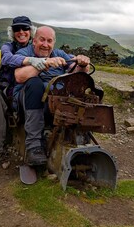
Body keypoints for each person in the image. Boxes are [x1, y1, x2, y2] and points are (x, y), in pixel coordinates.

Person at [13, 26, 90, 166]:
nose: (45, 45)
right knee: (35, 84)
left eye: (49, 41)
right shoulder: (24, 52)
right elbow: (19, 76)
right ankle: (34, 146)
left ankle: (80, 138)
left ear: (54, 43)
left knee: (78, 88)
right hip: (28, 102)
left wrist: (82, 64)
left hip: (54, 102)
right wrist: (44, 64)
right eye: (42, 40)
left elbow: (76, 71)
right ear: (34, 41)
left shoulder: (59, 53)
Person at [0, 15, 38, 170]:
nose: (21, 32)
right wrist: (31, 61)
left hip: (30, 96)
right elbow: (7, 59)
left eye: (25, 28)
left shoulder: (38, 48)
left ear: (31, 31)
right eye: (17, 29)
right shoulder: (7, 48)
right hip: (9, 96)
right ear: (12, 32)